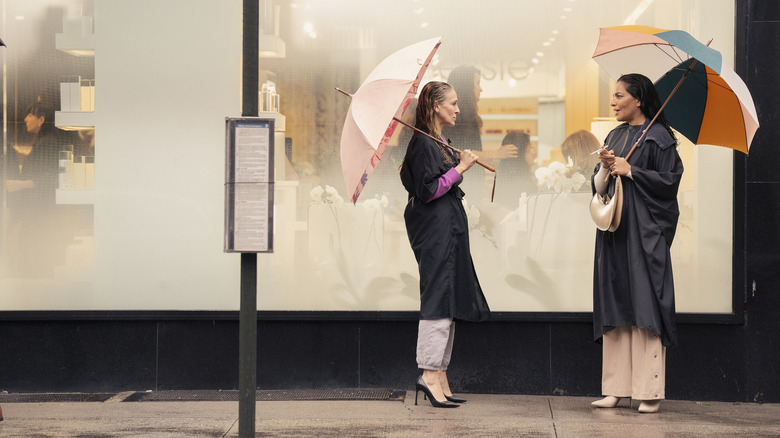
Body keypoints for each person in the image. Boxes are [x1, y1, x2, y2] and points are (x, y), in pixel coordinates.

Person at [590, 73, 683, 414]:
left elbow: (670, 183)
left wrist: (631, 171)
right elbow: (600, 188)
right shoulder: (614, 135)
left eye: (618, 95)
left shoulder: (659, 138)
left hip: (644, 236)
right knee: (616, 304)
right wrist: (604, 170)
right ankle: (615, 387)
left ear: (638, 99)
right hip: (615, 233)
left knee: (645, 305)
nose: (613, 101)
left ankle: (649, 390)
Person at [400, 81, 491, 408]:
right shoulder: (423, 144)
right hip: (435, 228)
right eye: (452, 103)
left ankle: (440, 373)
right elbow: (428, 190)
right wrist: (460, 169)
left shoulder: (437, 141)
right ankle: (428, 372)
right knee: (438, 295)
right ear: (435, 106)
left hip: (447, 227)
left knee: (447, 294)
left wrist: (457, 162)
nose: (458, 108)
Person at [442, 66, 517, 203]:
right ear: (466, 86)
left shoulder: (468, 116)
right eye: (477, 83)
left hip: (470, 183)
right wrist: (496, 154)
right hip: (463, 186)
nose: (480, 89)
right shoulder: (458, 118)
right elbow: (459, 152)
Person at [5, 101, 63, 277]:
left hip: (40, 209)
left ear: (41, 120)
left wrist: (22, 184)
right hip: (35, 208)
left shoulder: (48, 143)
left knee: (34, 254)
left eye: (30, 115)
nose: (25, 119)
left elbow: (52, 177)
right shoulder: (41, 142)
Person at [494, 131, 537, 207]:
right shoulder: (518, 184)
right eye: (530, 147)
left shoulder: (507, 179)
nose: (534, 152)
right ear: (520, 152)